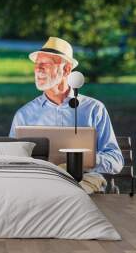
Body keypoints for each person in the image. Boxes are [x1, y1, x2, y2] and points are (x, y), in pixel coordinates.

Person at [9, 37, 124, 175]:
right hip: (43, 184)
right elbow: (12, 162)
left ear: (67, 69)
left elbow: (116, 161)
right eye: (37, 64)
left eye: (46, 64)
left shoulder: (94, 109)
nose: (38, 69)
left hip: (84, 183)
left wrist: (83, 159)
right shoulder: (24, 115)